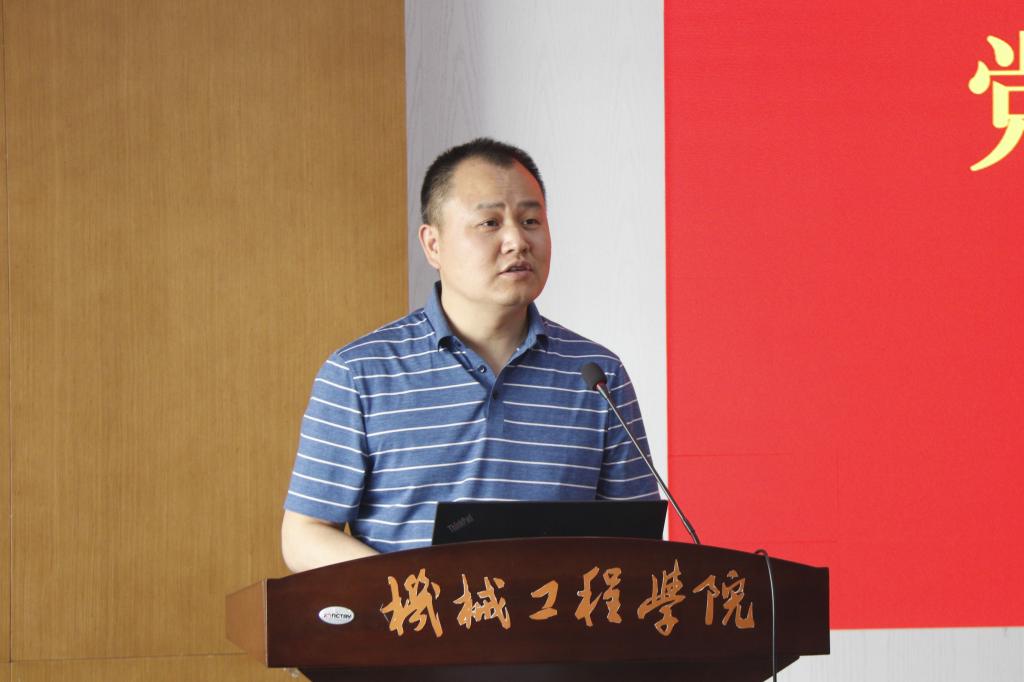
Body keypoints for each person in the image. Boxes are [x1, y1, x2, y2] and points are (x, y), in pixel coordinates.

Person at [281, 138, 659, 572]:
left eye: (531, 220)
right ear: (433, 244)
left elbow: (636, 543)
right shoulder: (360, 374)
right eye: (489, 223)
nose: (517, 240)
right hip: (410, 615)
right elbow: (305, 534)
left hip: (555, 615)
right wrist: (406, 591)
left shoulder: (597, 375)